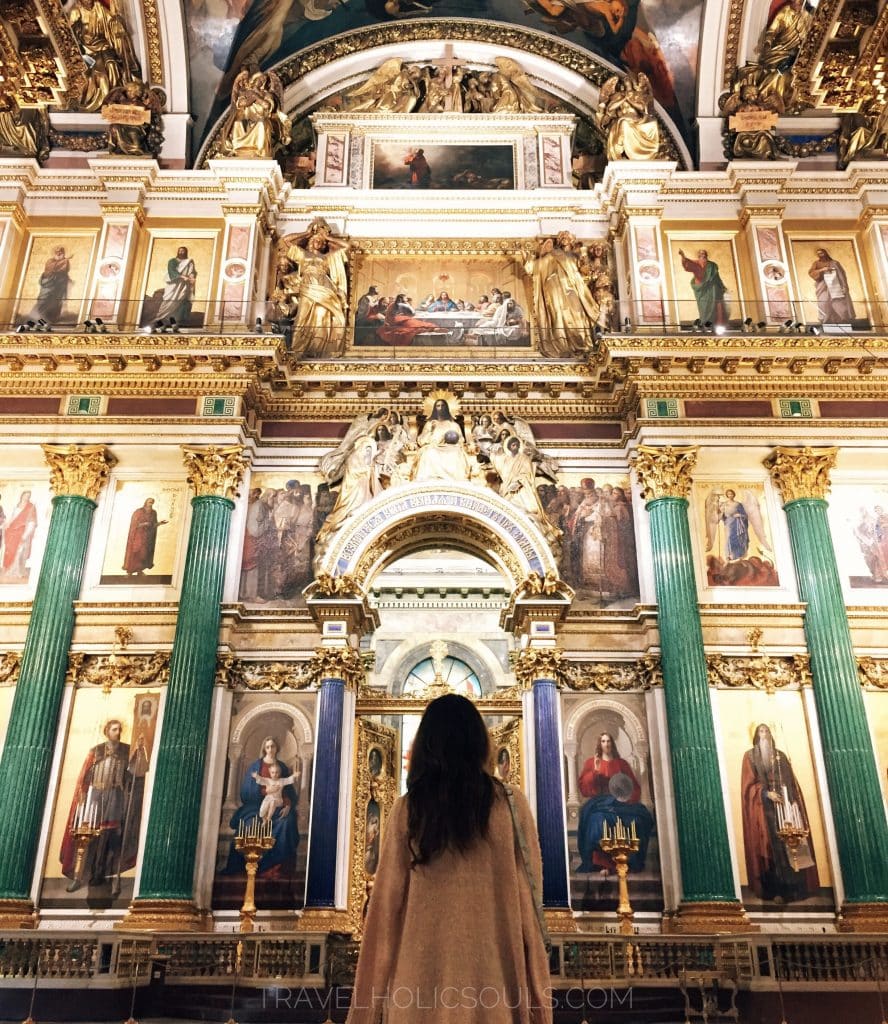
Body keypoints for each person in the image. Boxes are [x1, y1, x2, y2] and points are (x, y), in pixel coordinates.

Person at [346, 694, 551, 1024]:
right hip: (494, 988)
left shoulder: (408, 809)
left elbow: (384, 914)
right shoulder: (511, 807)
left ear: (425, 746)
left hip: (416, 992)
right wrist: (540, 1005)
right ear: (480, 743)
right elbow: (530, 906)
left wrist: (364, 1014)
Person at [60, 719, 148, 895]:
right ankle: (79, 876)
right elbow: (85, 776)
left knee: (109, 837)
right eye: (114, 729)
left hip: (115, 796)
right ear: (107, 731)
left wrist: (139, 751)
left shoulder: (126, 750)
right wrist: (82, 796)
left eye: (120, 729)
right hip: (95, 797)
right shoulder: (96, 750)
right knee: (86, 837)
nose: (118, 732)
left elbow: (136, 772)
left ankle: (103, 874)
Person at [741, 723, 819, 903]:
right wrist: (765, 793)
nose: (764, 734)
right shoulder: (750, 757)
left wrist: (788, 801)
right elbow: (748, 786)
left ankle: (793, 889)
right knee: (769, 849)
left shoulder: (780, 756)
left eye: (767, 731)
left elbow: (790, 782)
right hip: (763, 811)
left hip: (784, 809)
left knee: (790, 847)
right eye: (761, 731)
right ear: (756, 736)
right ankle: (773, 889)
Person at [576, 732, 654, 876]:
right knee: (597, 819)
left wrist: (626, 798)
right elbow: (584, 789)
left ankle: (628, 862)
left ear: (613, 743)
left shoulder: (621, 763)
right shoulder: (591, 762)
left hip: (621, 802)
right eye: (603, 741)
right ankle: (604, 864)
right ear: (600, 744)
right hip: (599, 802)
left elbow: (633, 787)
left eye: (609, 741)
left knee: (638, 819)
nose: (606, 744)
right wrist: (595, 771)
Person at [225, 736, 299, 879]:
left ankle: (275, 866)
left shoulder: (282, 767)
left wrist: (288, 805)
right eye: (268, 747)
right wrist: (265, 791)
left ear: (277, 748)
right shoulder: (255, 766)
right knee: (252, 824)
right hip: (256, 807)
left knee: (287, 821)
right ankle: (254, 866)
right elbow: (246, 791)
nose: (271, 749)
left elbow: (288, 790)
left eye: (273, 746)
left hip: (279, 805)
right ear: (264, 749)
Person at [285, 220, 349, 357]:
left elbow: (346, 247)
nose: (318, 243)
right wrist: (307, 233)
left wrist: (327, 237)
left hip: (325, 288)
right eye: (315, 240)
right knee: (302, 316)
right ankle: (298, 348)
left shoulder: (327, 257)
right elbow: (286, 240)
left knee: (322, 316)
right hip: (308, 287)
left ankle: (319, 349)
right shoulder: (302, 254)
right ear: (310, 241)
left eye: (321, 241)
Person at [67, 0, 142, 111]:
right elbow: (69, 31)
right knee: (100, 76)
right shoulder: (76, 10)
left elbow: (110, 19)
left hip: (102, 46)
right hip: (86, 51)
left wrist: (116, 23)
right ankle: (100, 103)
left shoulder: (99, 7)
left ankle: (115, 98)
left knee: (112, 64)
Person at [413, 399, 472, 483]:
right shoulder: (430, 424)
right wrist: (431, 430)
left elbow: (461, 439)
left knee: (457, 453)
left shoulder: (453, 425)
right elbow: (421, 441)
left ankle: (456, 480)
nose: (440, 408)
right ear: (434, 409)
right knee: (429, 453)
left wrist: (454, 441)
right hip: (433, 447)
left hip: (451, 447)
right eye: (438, 406)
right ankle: (430, 479)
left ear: (447, 408)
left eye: (443, 405)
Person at [678, 248, 729, 327]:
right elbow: (687, 265)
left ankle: (715, 324)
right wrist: (682, 255)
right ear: (699, 255)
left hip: (712, 288)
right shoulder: (696, 263)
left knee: (716, 305)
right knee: (703, 306)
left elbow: (717, 277)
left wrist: (722, 286)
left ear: (707, 255)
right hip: (701, 289)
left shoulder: (712, 265)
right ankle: (705, 322)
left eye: (704, 253)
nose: (703, 255)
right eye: (701, 253)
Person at [807, 248, 856, 323]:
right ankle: (826, 320)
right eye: (818, 254)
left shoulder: (835, 263)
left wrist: (844, 286)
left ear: (825, 253)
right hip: (823, 286)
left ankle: (842, 320)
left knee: (839, 303)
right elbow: (811, 272)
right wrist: (822, 270)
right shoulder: (816, 263)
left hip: (835, 285)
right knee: (823, 302)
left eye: (822, 253)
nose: (820, 255)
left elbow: (841, 275)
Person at [122, 498, 168, 576]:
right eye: (149, 502)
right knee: (135, 552)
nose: (151, 504)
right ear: (146, 502)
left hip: (147, 537)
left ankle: (140, 571)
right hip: (138, 536)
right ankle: (129, 572)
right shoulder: (138, 512)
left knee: (144, 554)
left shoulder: (153, 513)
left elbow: (153, 525)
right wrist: (144, 524)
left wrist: (160, 523)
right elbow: (134, 524)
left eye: (152, 503)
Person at [376, 294, 443, 345]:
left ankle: (432, 328)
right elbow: (413, 313)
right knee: (413, 323)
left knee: (411, 322)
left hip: (390, 321)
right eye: (405, 299)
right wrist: (407, 306)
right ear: (401, 299)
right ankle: (432, 328)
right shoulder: (402, 304)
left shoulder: (393, 304)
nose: (407, 300)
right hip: (395, 320)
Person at [1, 490, 37, 581]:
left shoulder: (31, 507)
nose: (27, 497)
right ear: (22, 496)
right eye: (25, 495)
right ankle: (9, 569)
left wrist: (26, 534)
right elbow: (12, 518)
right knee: (9, 550)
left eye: (29, 496)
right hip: (12, 531)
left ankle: (17, 571)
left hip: (22, 532)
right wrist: (6, 525)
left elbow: (32, 522)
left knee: (19, 552)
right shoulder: (17, 506)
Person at [30, 246, 72, 324]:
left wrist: (65, 261)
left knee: (57, 301)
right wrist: (65, 260)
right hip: (49, 283)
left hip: (60, 285)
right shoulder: (50, 261)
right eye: (57, 253)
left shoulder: (65, 261)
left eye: (61, 253)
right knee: (44, 300)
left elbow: (65, 269)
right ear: (54, 254)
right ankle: (37, 317)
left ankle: (52, 318)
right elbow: (52, 268)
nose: (59, 254)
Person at [156, 246, 197, 324]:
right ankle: (161, 317)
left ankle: (176, 320)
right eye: (180, 251)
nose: (181, 252)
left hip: (183, 285)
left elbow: (192, 272)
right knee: (169, 298)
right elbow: (171, 271)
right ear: (177, 252)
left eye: (183, 251)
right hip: (173, 284)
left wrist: (192, 277)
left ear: (186, 252)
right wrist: (182, 276)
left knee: (181, 300)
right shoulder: (172, 261)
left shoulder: (189, 262)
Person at [719, 489, 749, 561]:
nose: (730, 495)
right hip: (728, 522)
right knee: (729, 537)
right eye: (729, 494)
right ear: (727, 495)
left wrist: (740, 515)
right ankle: (729, 554)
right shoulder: (724, 504)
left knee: (738, 538)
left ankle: (737, 554)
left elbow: (745, 515)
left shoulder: (738, 504)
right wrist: (721, 512)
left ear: (734, 495)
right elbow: (721, 515)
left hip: (737, 523)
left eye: (731, 494)